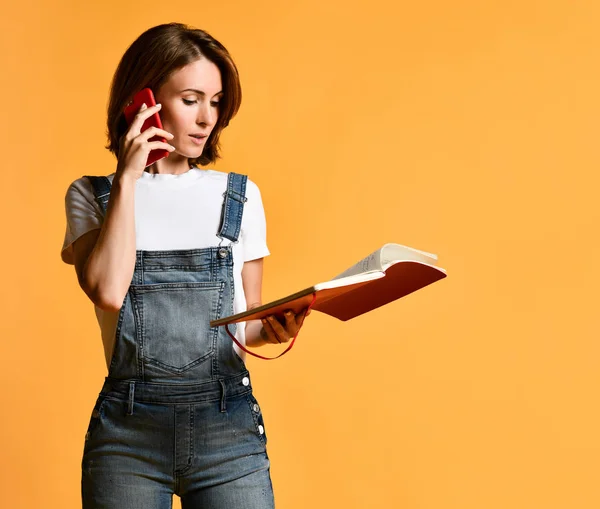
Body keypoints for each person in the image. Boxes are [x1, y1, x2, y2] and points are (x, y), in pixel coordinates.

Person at [60, 22, 310, 509]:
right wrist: (130, 178)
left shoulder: (239, 196)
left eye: (216, 103)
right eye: (191, 99)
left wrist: (274, 328)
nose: (206, 119)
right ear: (145, 101)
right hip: (127, 437)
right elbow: (109, 291)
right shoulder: (93, 195)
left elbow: (247, 323)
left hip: (228, 433)